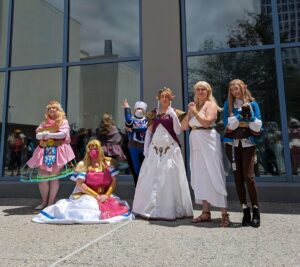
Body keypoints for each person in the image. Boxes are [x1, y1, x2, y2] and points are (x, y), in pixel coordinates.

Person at [32, 139, 132, 224]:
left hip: (104, 194)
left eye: (95, 148)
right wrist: (96, 196)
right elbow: (80, 184)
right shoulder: (83, 165)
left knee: (114, 207)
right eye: (91, 148)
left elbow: (113, 181)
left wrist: (106, 195)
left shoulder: (108, 163)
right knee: (90, 208)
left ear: (100, 149)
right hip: (86, 195)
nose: (93, 150)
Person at [132, 87, 193, 220]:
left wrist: (173, 116)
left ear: (171, 98)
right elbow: (149, 131)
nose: (164, 99)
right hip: (154, 150)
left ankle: (169, 209)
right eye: (162, 96)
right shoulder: (152, 113)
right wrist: (146, 149)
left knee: (169, 177)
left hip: (170, 150)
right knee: (151, 178)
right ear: (158, 98)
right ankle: (151, 208)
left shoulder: (176, 112)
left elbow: (178, 131)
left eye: (167, 96)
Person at [181, 81, 230, 227]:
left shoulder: (211, 105)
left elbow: (208, 122)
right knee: (200, 174)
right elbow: (183, 127)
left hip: (208, 139)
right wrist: (189, 113)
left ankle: (224, 213)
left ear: (208, 91)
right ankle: (205, 212)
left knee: (214, 173)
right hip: (195, 141)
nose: (200, 91)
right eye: (198, 89)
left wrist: (195, 112)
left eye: (203, 89)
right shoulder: (193, 107)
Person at [20, 101, 75, 210]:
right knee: (42, 179)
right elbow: (38, 135)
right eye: (50, 108)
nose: (52, 110)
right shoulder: (43, 123)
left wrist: (48, 134)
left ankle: (50, 202)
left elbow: (63, 134)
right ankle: (44, 201)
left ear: (59, 110)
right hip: (44, 151)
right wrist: (41, 135)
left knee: (54, 178)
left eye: (54, 108)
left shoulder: (63, 122)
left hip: (58, 151)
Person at [223, 79, 262, 227]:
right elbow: (228, 125)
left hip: (248, 144)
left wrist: (250, 116)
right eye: (232, 89)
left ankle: (256, 210)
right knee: (238, 177)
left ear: (243, 88)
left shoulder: (253, 104)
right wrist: (240, 116)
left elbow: (258, 127)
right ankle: (245, 210)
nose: (234, 91)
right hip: (231, 145)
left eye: (237, 88)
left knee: (249, 177)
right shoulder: (228, 105)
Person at [122, 99, 148, 185]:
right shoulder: (131, 120)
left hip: (145, 146)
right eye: (138, 108)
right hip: (133, 146)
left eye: (141, 108)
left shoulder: (147, 120)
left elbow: (146, 129)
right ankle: (137, 187)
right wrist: (127, 108)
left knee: (146, 168)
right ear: (134, 110)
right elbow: (128, 121)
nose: (139, 110)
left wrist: (133, 129)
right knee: (136, 168)